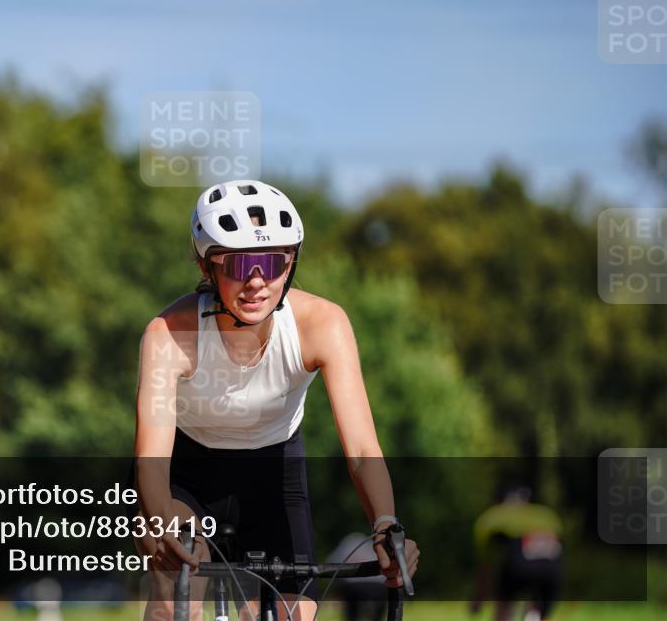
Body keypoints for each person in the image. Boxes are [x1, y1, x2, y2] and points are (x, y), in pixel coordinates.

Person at [133, 180, 419, 621]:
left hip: (274, 471)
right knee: (175, 601)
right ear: (207, 267)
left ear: (290, 264)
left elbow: (362, 448)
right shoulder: (169, 334)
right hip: (188, 478)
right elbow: (151, 461)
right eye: (237, 265)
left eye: (272, 262)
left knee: (290, 616)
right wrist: (158, 526)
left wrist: (385, 524)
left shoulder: (322, 323)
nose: (256, 282)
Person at [470, 485, 562, 621]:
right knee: (541, 605)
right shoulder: (547, 515)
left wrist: (478, 599)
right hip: (551, 570)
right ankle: (534, 615)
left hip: (518, 566)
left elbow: (485, 567)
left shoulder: (492, 517)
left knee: (505, 601)